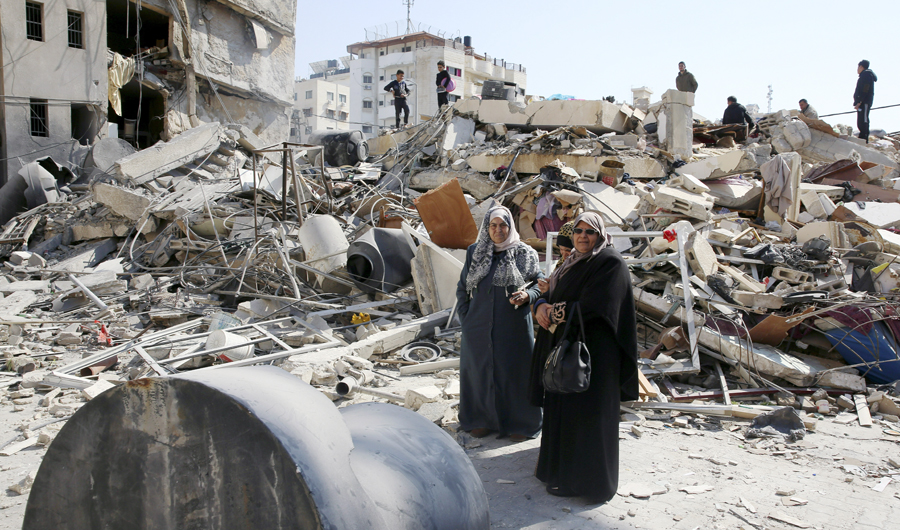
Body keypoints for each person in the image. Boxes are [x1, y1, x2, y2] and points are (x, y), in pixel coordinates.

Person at [529, 212, 638, 502]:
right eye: (578, 231)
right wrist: (540, 304)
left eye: (590, 232)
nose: (583, 237)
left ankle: (590, 486)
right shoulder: (572, 261)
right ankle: (562, 477)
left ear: (600, 235)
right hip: (568, 350)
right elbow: (554, 291)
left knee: (588, 419)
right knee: (565, 413)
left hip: (595, 356)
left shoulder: (609, 262)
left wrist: (553, 312)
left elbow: (596, 306)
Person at [456, 205, 544, 442]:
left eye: (503, 225)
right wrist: (466, 318)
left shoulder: (524, 253)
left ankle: (521, 423)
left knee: (515, 373)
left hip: (513, 327)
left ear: (510, 226)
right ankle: (481, 420)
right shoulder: (475, 252)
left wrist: (528, 296)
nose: (498, 230)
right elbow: (462, 287)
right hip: (477, 326)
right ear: (487, 228)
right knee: (479, 373)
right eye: (493, 225)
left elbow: (540, 283)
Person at [854, 60, 877, 143]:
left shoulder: (866, 75)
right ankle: (862, 136)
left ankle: (864, 138)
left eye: (858, 67)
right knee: (860, 120)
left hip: (864, 102)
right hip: (861, 102)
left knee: (864, 120)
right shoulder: (864, 75)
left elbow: (865, 89)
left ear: (861, 67)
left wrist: (860, 101)